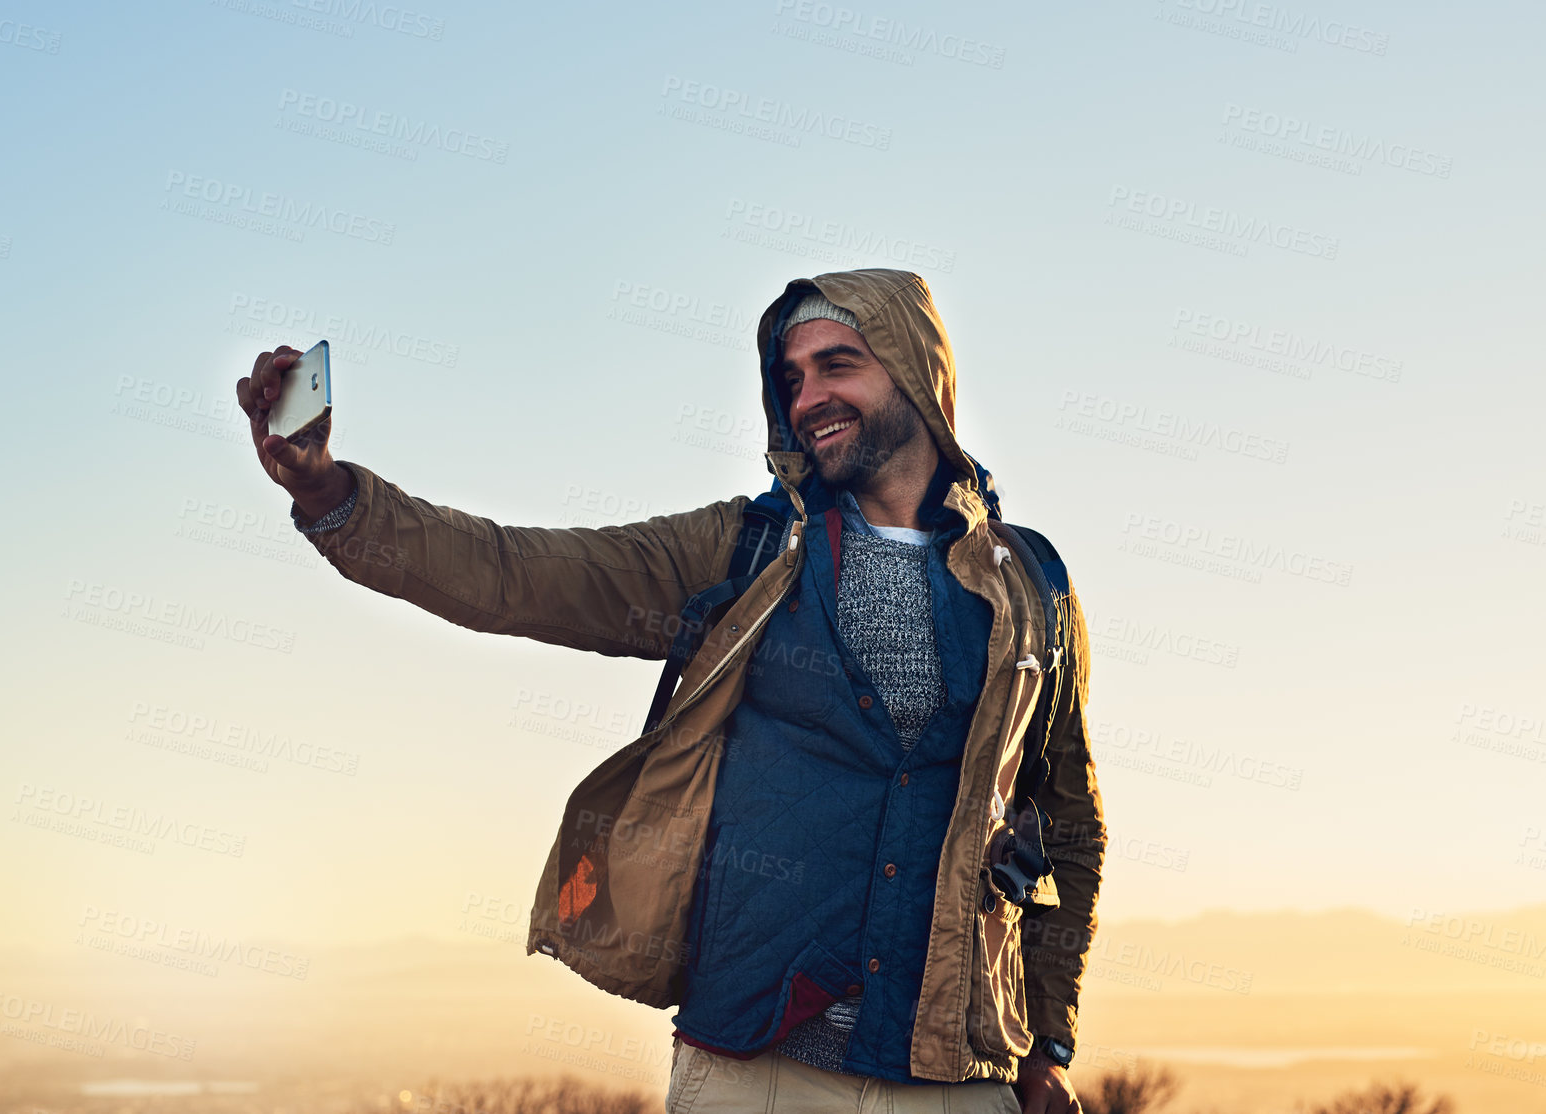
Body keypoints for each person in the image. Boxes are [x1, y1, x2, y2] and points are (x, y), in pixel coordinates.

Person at [237, 269, 1106, 1114]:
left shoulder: (1027, 584)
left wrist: (1049, 1047)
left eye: (838, 365)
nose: (808, 398)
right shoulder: (745, 552)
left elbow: (1069, 823)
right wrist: (329, 494)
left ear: (919, 373)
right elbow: (514, 574)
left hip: (958, 1076)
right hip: (754, 1070)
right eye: (791, 378)